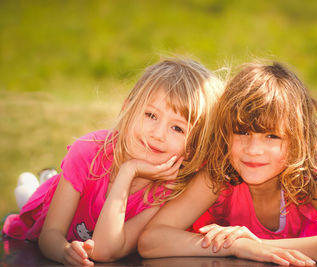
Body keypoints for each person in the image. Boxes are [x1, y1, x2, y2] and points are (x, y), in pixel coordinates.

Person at [139, 62, 317, 264]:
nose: (254, 150)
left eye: (272, 136)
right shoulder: (219, 174)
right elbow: (152, 240)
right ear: (225, 132)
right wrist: (238, 246)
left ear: (297, 140)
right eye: (242, 132)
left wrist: (260, 246)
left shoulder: (311, 175)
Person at [2, 57, 223, 266]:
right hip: (55, 212)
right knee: (32, 206)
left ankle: (42, 181)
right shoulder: (88, 151)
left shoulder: (169, 188)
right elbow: (50, 234)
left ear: (193, 146)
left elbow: (104, 251)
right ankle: (37, 187)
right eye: (150, 115)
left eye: (177, 128)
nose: (158, 134)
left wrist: (128, 173)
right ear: (127, 109)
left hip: (92, 229)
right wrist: (64, 252)